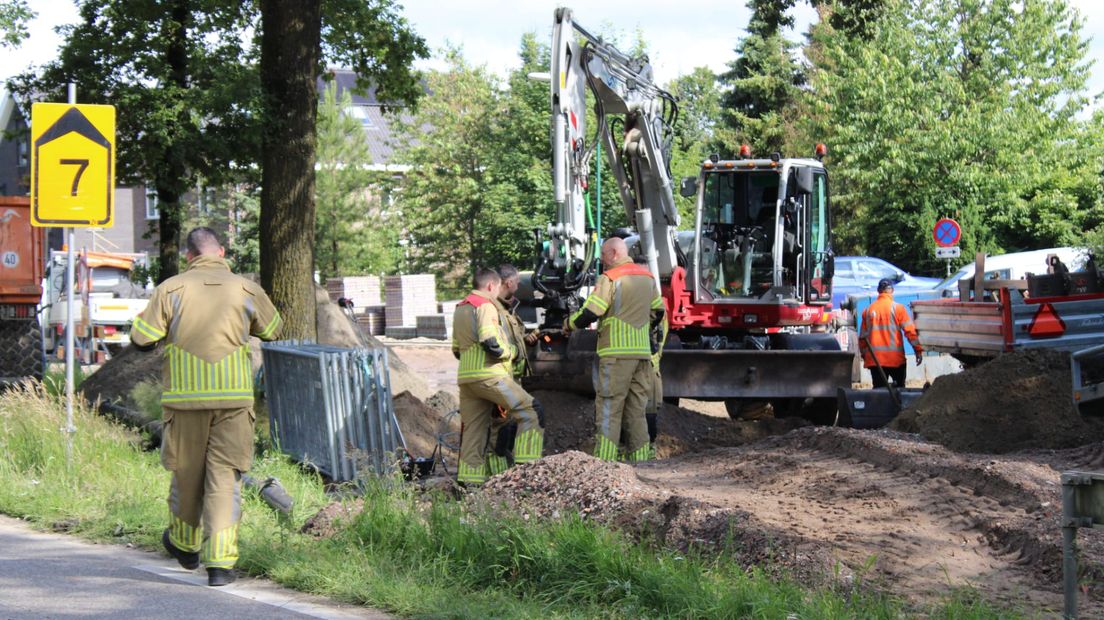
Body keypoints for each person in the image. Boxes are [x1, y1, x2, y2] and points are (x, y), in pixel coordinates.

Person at [130, 227, 282, 587]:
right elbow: (274, 329)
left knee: (186, 474)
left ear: (189, 256)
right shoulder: (246, 288)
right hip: (233, 403)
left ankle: (184, 546)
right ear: (222, 252)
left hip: (184, 404)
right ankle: (220, 565)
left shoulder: (171, 288)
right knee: (225, 479)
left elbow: (141, 338)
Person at [563, 238, 665, 462]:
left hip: (616, 355)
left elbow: (592, 311)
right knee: (636, 409)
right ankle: (641, 462)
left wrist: (569, 324)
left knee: (610, 406)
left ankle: (604, 462)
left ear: (614, 253)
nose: (601, 260)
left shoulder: (610, 278)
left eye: (603, 255)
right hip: (641, 355)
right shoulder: (647, 278)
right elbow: (658, 312)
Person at [451, 268, 544, 486]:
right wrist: (511, 352)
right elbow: (490, 341)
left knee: (474, 431)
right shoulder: (485, 305)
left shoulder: (461, 307)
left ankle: (469, 484)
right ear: (491, 286)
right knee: (531, 411)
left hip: (467, 379)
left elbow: (456, 349)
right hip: (490, 375)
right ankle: (526, 474)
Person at [485, 264, 543, 475]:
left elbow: (510, 341)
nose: (519, 286)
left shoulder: (507, 310)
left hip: (512, 378)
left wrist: (527, 340)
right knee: (500, 428)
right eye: (517, 282)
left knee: (508, 428)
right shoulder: (492, 311)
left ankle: (508, 472)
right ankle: (500, 477)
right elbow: (494, 345)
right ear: (509, 283)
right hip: (501, 378)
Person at [858, 278, 923, 388]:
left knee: (880, 394)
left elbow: (862, 339)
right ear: (892, 290)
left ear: (878, 291)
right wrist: (918, 350)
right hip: (896, 361)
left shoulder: (868, 310)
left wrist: (865, 356)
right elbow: (910, 332)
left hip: (876, 361)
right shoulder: (898, 309)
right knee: (900, 393)